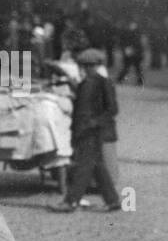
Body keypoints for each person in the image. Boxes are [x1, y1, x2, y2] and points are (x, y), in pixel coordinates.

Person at [52, 48, 121, 213]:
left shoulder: (104, 83)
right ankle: (113, 201)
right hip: (82, 131)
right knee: (97, 166)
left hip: (94, 131)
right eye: (85, 66)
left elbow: (112, 109)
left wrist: (95, 122)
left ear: (97, 66)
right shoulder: (83, 84)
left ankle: (71, 201)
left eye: (90, 66)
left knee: (83, 167)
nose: (87, 69)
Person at [115, 21, 144, 86]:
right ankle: (119, 79)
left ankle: (140, 82)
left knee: (135, 68)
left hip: (134, 54)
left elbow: (137, 44)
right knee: (129, 68)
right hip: (131, 53)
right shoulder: (130, 33)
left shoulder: (134, 34)